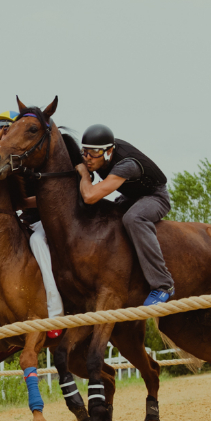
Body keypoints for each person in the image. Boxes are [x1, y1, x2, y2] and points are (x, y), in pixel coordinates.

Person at [77, 124, 176, 306]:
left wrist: (83, 174)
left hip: (155, 197)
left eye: (94, 153)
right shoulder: (95, 156)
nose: (88, 159)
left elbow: (90, 196)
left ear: (108, 152)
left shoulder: (127, 165)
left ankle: (163, 285)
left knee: (133, 218)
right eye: (85, 152)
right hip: (130, 197)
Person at [0, 112, 65, 337]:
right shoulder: (3, 161)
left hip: (46, 222)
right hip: (24, 221)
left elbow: (52, 194)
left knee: (37, 241)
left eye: (5, 128)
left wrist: (21, 202)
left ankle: (56, 312)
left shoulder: (33, 159)